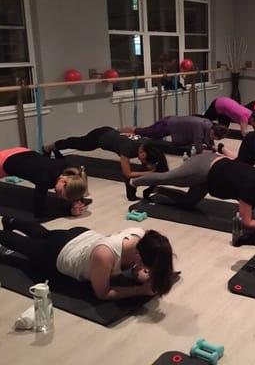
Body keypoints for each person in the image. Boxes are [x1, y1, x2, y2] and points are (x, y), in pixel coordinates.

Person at [0, 217, 175, 300]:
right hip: (60, 254)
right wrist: (141, 290)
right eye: (148, 268)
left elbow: (136, 265)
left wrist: (139, 275)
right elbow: (103, 293)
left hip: (82, 235)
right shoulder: (105, 256)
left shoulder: (141, 236)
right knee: (23, 247)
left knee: (45, 233)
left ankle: (12, 221)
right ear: (139, 256)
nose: (147, 271)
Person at [130, 152, 255, 231]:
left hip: (211, 177)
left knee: (189, 203)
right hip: (204, 167)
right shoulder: (251, 189)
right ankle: (134, 182)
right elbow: (246, 223)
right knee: (169, 177)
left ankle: (158, 190)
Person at [42, 126, 168, 200]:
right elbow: (127, 173)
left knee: (149, 169)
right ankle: (49, 147)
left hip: (111, 132)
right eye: (144, 160)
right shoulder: (127, 148)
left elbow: (160, 165)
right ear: (142, 154)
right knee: (77, 143)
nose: (142, 162)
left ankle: (151, 190)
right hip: (98, 137)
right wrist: (148, 172)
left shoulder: (149, 145)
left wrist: (154, 172)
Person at [0, 147, 88, 218]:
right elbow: (39, 213)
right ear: (63, 181)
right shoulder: (44, 180)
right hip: (3, 161)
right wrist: (69, 212)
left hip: (23, 151)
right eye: (61, 193)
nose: (58, 196)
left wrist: (79, 202)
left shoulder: (69, 171)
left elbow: (76, 186)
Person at [119, 116, 228, 154]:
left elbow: (209, 140)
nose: (213, 139)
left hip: (172, 124)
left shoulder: (209, 125)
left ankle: (122, 130)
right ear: (213, 131)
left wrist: (212, 147)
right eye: (214, 137)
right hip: (167, 124)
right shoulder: (199, 127)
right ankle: (119, 131)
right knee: (143, 132)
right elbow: (198, 146)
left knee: (148, 134)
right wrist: (211, 151)